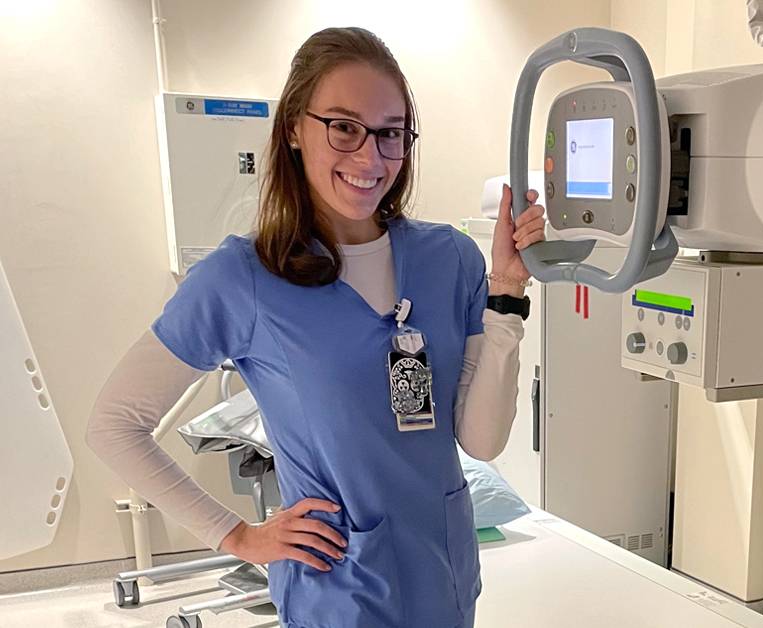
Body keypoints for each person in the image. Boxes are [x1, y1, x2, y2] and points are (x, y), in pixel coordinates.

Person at [86, 26, 546, 627]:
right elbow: (114, 425)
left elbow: (481, 442)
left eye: (390, 133)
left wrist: (506, 295)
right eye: (345, 127)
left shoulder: (450, 259)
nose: (370, 156)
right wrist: (238, 536)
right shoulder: (244, 278)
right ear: (295, 129)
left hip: (444, 575)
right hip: (338, 590)